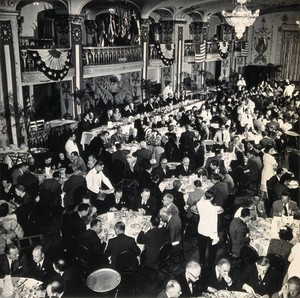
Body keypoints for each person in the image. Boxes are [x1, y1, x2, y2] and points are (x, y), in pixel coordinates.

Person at [196, 190, 223, 267]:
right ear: (212, 198)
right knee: (212, 249)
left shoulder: (199, 204)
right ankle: (210, 263)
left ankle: (201, 262)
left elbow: (202, 199)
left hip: (201, 229)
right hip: (210, 231)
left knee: (202, 247)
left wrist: (205, 196)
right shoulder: (213, 210)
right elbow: (214, 224)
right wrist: (215, 236)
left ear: (204, 196)